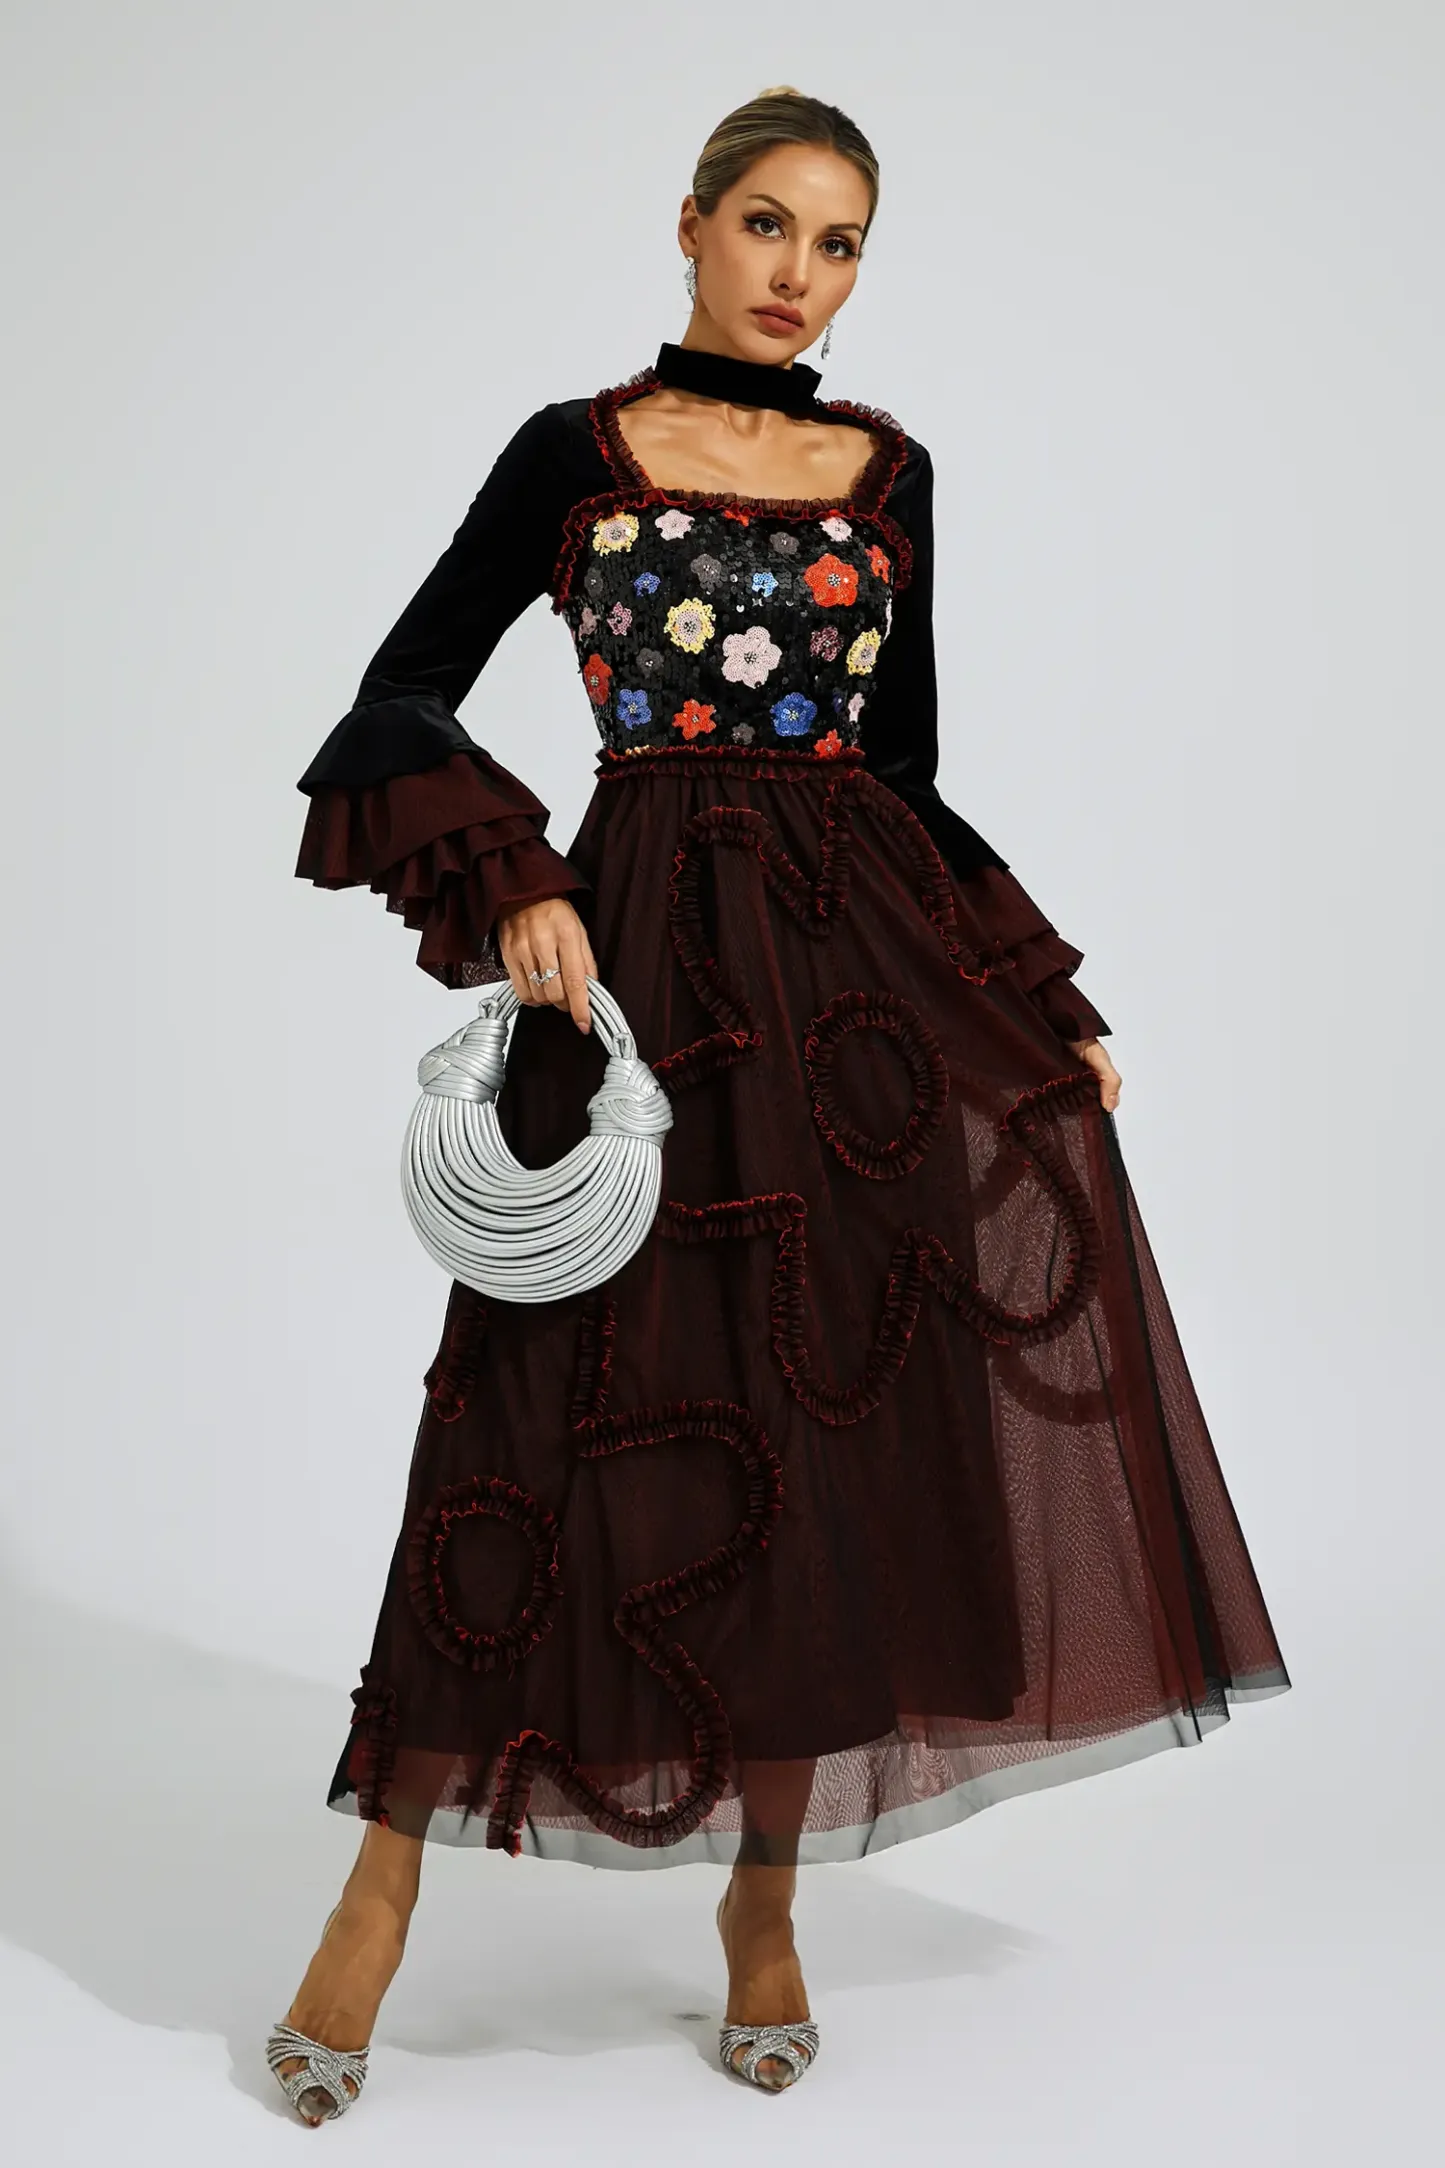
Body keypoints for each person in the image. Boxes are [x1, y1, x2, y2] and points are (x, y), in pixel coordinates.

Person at [267, 85, 1292, 2120]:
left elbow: (899, 773)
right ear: (689, 222)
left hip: (850, 1001)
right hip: (637, 970)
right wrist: (522, 875)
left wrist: (1032, 997)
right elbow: (396, 692)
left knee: (814, 1434)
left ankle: (765, 1904)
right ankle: (373, 1903)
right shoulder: (574, 453)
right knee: (529, 1408)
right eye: (764, 225)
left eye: (836, 246)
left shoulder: (886, 472)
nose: (795, 274)